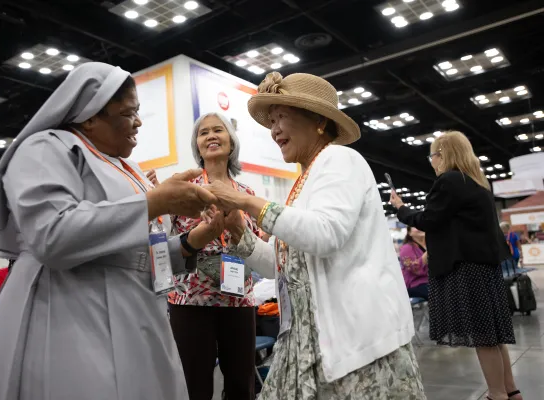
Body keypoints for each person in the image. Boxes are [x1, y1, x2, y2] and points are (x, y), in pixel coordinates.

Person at [0, 62, 218, 400]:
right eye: (128, 112)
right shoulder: (46, 148)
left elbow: (132, 255)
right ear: (89, 116)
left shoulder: (127, 166)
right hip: (70, 315)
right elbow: (51, 235)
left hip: (136, 315)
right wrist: (153, 203)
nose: (139, 122)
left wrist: (193, 241)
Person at [208, 72, 424, 399]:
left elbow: (325, 235)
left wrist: (247, 202)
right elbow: (282, 269)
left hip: (353, 342)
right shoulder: (307, 180)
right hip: (310, 343)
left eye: (282, 117)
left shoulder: (340, 159)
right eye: (272, 120)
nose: (274, 129)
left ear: (319, 121)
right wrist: (240, 232)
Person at [390, 131, 521, 400]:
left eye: (433, 155)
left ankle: (496, 395)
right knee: (493, 334)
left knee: (483, 337)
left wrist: (402, 209)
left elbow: (429, 220)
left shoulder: (449, 181)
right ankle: (511, 391)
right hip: (484, 267)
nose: (431, 161)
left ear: (443, 155)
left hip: (466, 268)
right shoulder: (477, 183)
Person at [168, 112, 262, 400]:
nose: (210, 136)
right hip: (190, 300)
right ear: (197, 146)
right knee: (194, 386)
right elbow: (168, 242)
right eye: (203, 132)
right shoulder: (184, 189)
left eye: (218, 130)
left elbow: (255, 244)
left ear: (231, 143)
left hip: (239, 300)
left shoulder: (246, 193)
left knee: (240, 383)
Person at [400, 227, 429, 300]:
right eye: (415, 226)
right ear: (409, 233)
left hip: (431, 281)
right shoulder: (406, 248)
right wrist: (428, 252)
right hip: (415, 284)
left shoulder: (429, 244)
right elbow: (414, 268)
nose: (419, 227)